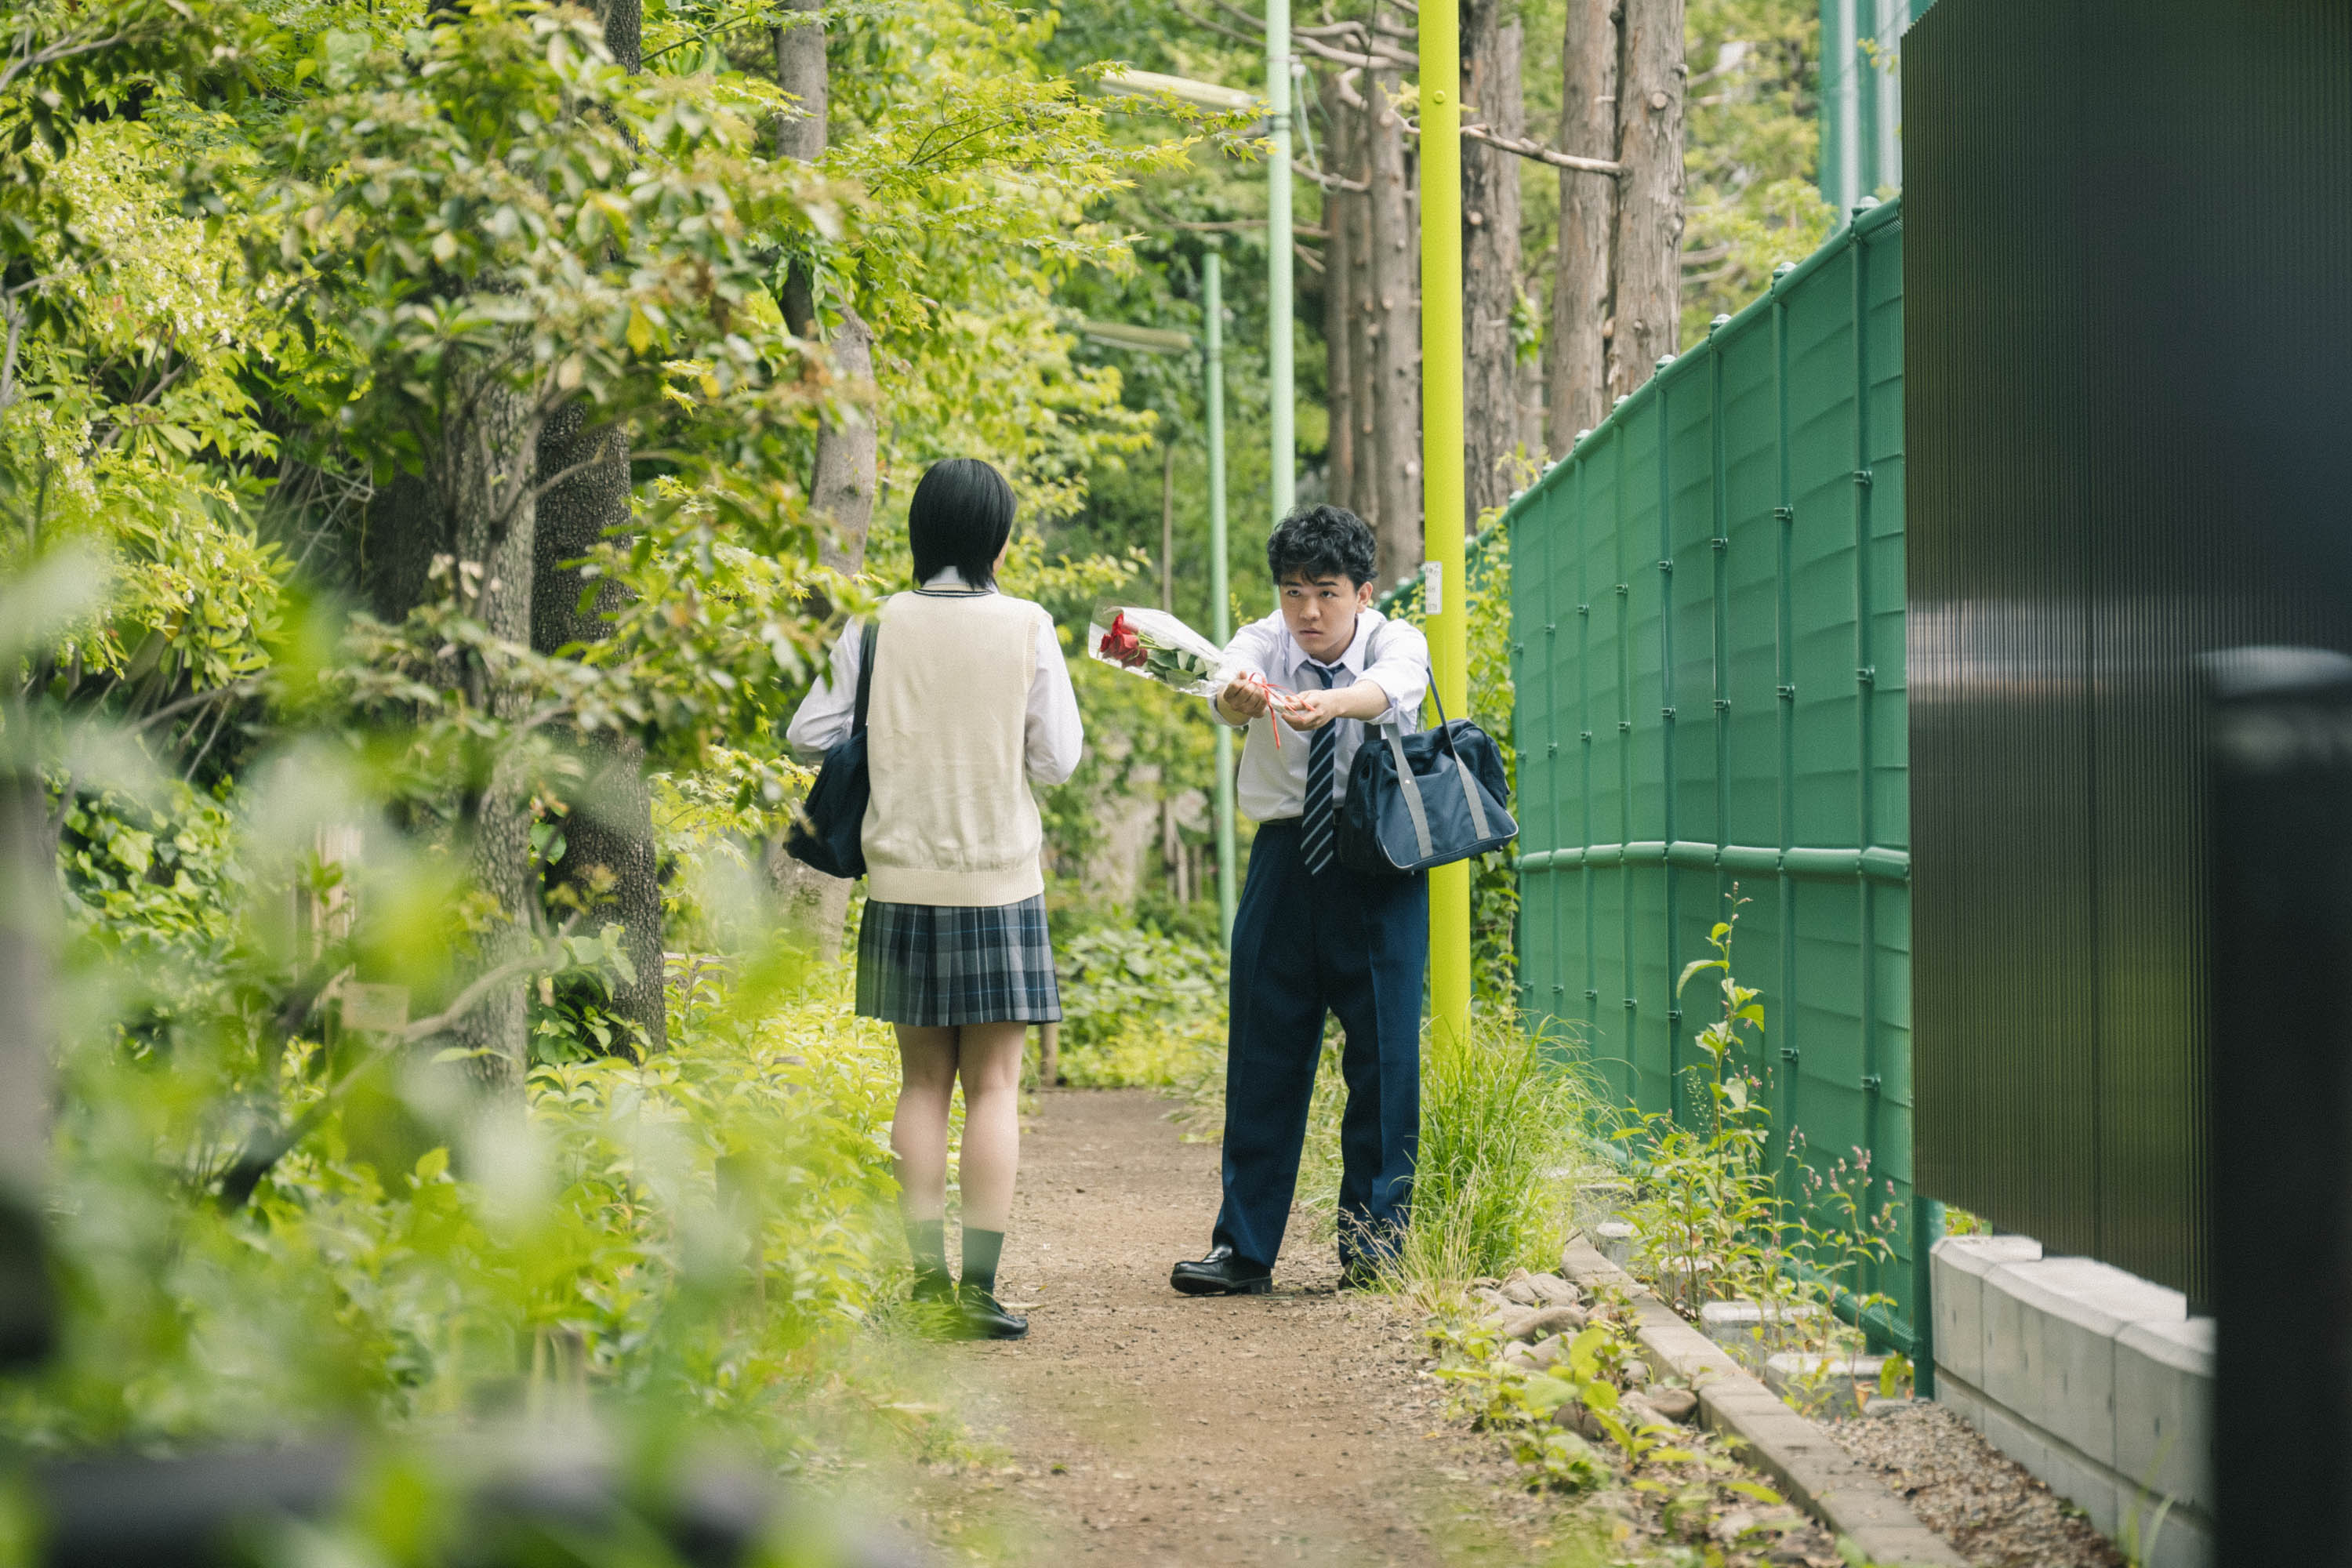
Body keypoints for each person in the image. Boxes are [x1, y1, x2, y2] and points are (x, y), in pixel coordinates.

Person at [786, 458, 1082, 1341]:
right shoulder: (1028, 625)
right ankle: (980, 1295)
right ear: (997, 539)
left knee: (921, 1083)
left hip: (904, 880)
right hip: (999, 880)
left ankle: (922, 1288)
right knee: (993, 1087)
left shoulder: (874, 626)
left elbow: (808, 733)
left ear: (919, 534)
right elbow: (1057, 759)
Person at [1171, 504, 1432, 1296]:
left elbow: (1397, 688)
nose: (1308, 611)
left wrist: (1335, 702)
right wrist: (1237, 701)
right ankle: (1242, 1247)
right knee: (1263, 1052)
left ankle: (1377, 1248)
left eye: (1325, 592)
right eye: (1293, 592)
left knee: (1384, 1057)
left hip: (1380, 859)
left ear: (1363, 591)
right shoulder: (1265, 639)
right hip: (1285, 858)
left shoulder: (1395, 638)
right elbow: (1225, 679)